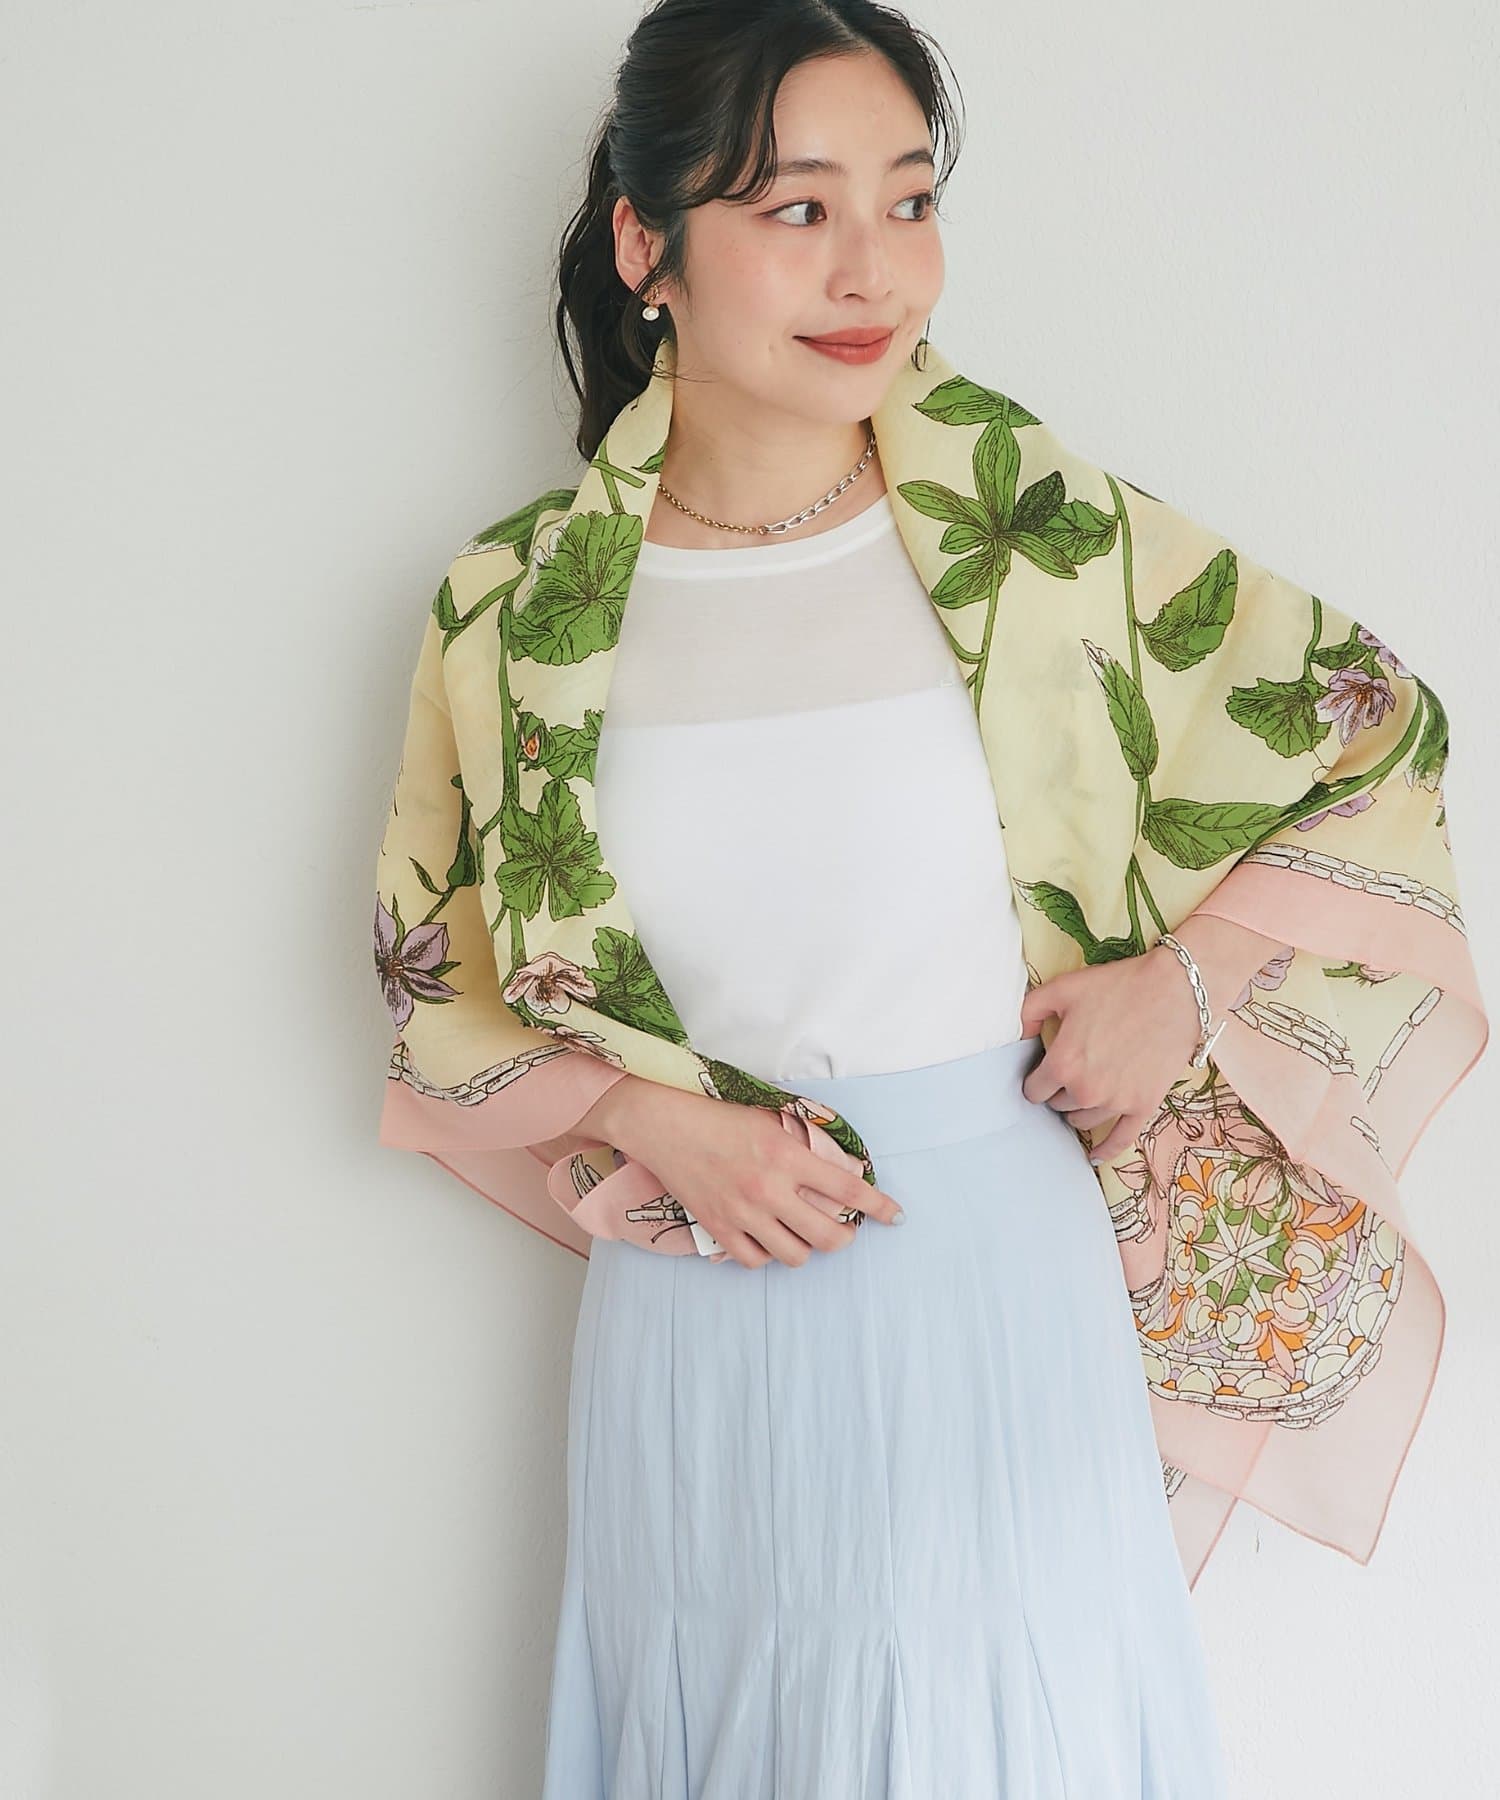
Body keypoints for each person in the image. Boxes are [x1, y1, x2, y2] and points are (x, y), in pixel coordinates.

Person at [373, 2, 1482, 1793]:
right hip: (698, 1311)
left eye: (909, 199)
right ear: (647, 245)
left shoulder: (1032, 534)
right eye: (798, 208)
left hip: (992, 1295)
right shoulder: (515, 610)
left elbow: (1372, 726)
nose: (871, 269)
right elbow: (435, 979)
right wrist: (653, 1118)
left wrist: (1183, 985)